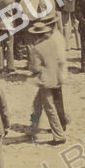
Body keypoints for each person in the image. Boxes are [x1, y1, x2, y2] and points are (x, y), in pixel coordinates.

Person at [28, 15, 66, 145]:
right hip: (54, 77)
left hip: (44, 81)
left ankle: (59, 136)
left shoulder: (36, 48)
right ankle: (32, 129)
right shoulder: (51, 42)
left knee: (49, 108)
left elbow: (34, 67)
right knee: (37, 105)